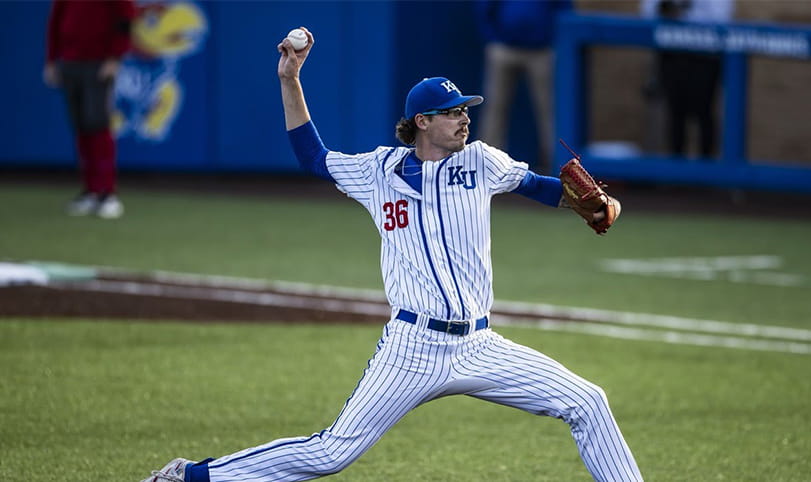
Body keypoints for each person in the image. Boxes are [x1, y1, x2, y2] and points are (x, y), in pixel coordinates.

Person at [142, 27, 642, 482]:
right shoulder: (378, 172)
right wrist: (290, 79)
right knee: (331, 453)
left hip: (481, 344)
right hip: (412, 349)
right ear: (422, 122)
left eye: (465, 109)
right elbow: (313, 158)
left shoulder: (482, 161)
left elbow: (540, 186)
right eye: (452, 112)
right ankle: (189, 477)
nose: (464, 118)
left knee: (588, 401)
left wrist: (598, 205)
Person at [43, 0, 136, 219]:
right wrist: (51, 60)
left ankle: (107, 192)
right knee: (81, 126)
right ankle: (91, 191)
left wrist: (115, 57)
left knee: (99, 124)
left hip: (98, 63)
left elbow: (124, 20)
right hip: (70, 62)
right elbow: (55, 22)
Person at [475, 0, 573, 175]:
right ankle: (486, 167)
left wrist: (550, 39)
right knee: (495, 107)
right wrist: (493, 36)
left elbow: (564, 12)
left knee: (549, 109)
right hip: (504, 47)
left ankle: (559, 168)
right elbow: (485, 9)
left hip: (541, 50)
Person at [641, 0, 734, 158]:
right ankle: (676, 170)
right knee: (675, 113)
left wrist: (683, 11)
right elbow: (648, 13)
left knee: (703, 111)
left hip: (705, 56)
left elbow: (721, 17)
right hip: (671, 53)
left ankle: (706, 170)